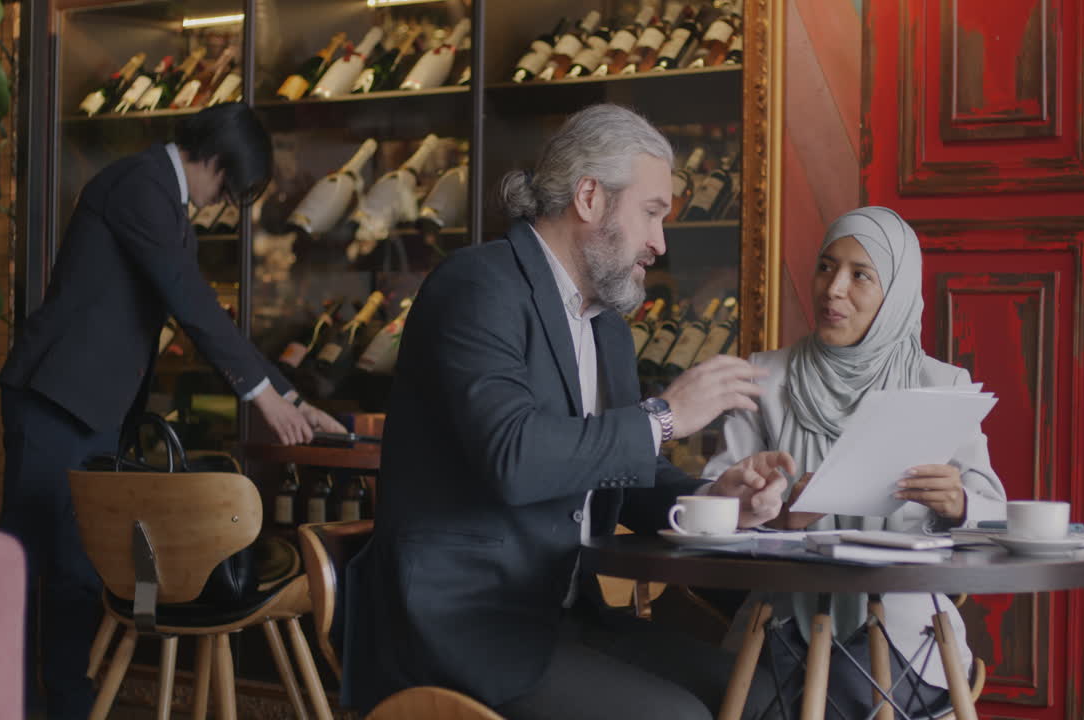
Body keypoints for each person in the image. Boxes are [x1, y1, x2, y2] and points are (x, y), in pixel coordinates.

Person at [340, 104, 796, 720]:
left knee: (762, 695)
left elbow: (615, 468)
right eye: (652, 213)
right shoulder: (477, 286)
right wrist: (665, 417)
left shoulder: (603, 324)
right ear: (589, 197)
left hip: (565, 614)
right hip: (465, 626)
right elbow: (516, 456)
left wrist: (720, 498)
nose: (661, 242)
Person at [0, 102, 344, 719]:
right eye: (229, 188)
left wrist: (290, 397)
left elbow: (201, 307)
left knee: (79, 568)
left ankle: (68, 706)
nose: (220, 202)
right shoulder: (140, 185)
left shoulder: (161, 198)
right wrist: (261, 396)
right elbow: (192, 303)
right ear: (214, 159)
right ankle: (7, 704)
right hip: (52, 398)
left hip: (94, 408)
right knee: (24, 566)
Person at [702, 206, 1008, 717]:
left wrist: (957, 504)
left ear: (897, 294)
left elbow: (995, 519)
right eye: (826, 266)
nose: (833, 289)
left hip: (907, 634)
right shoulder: (764, 378)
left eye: (859, 275)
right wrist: (769, 514)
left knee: (847, 694)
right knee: (775, 703)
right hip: (777, 625)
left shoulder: (941, 386)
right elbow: (712, 509)